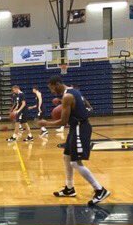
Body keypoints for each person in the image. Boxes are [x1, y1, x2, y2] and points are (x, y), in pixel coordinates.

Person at [37, 76, 110, 206]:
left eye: (52, 88)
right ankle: (69, 189)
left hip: (79, 128)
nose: (52, 91)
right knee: (66, 157)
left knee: (76, 163)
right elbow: (87, 105)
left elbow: (63, 121)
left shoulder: (67, 97)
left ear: (57, 84)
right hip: (76, 127)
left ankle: (100, 189)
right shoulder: (73, 91)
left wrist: (45, 123)